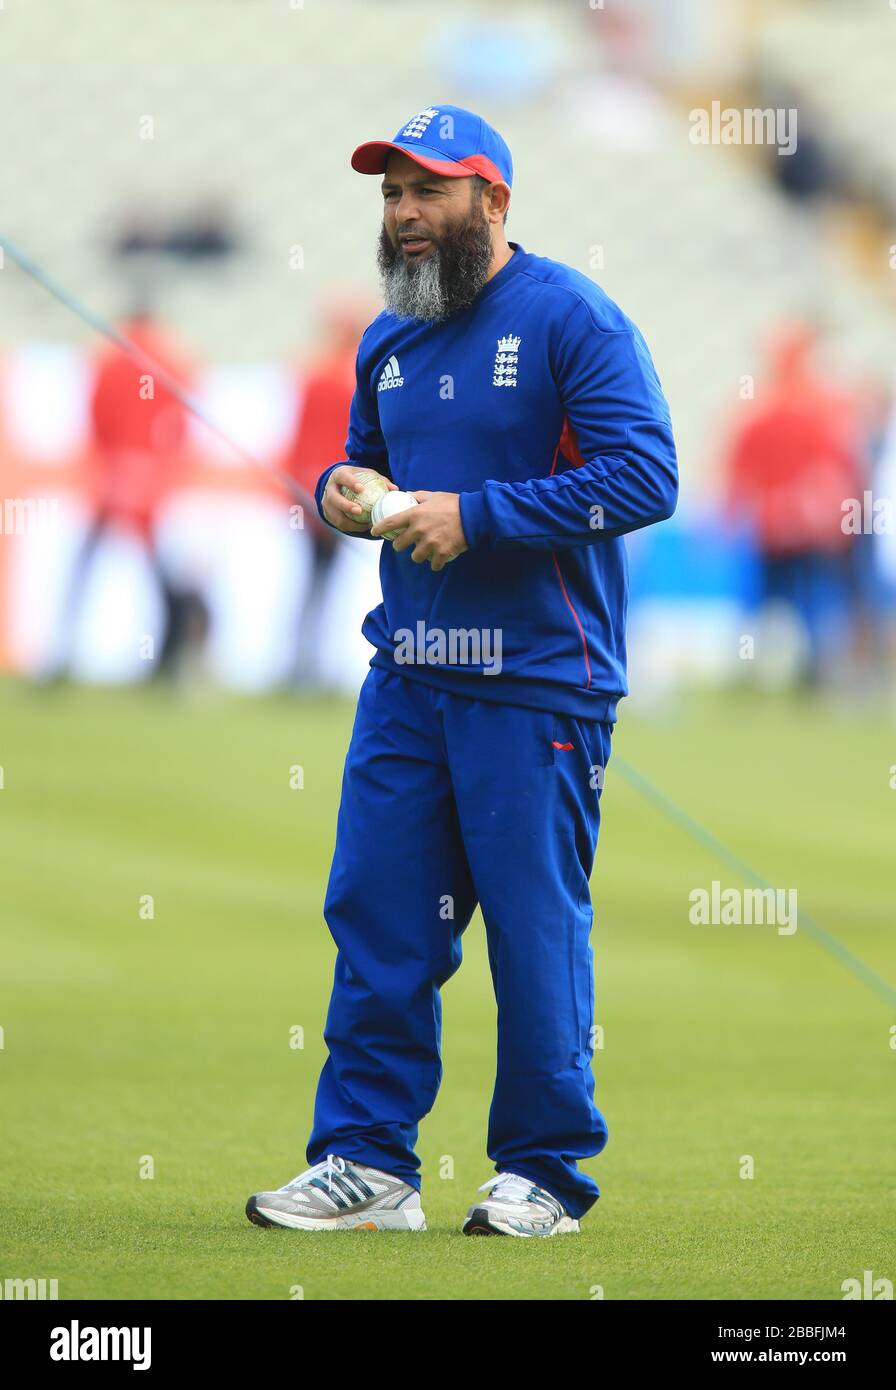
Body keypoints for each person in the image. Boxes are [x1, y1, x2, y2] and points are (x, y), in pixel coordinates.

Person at [246, 104, 678, 1236]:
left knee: (532, 934)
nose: (402, 215)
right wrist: (346, 493)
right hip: (410, 674)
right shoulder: (386, 337)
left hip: (538, 678)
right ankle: (367, 1160)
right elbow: (370, 474)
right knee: (378, 917)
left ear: (492, 199)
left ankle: (544, 1171)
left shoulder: (570, 318)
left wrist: (475, 517)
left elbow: (646, 479)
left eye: (425, 191)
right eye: (389, 195)